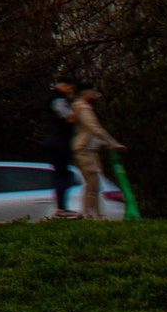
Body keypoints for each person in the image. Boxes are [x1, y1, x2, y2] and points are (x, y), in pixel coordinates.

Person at [70, 84, 124, 219]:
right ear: (87, 93)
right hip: (85, 150)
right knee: (92, 183)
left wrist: (106, 144)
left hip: (90, 150)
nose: (95, 96)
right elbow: (94, 128)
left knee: (95, 184)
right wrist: (113, 143)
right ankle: (88, 213)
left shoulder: (81, 107)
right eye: (93, 93)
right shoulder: (83, 108)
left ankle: (95, 213)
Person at [45, 79, 78, 217]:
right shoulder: (58, 100)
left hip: (54, 139)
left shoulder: (51, 99)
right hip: (59, 141)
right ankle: (61, 208)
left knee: (61, 174)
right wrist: (76, 106)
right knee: (62, 175)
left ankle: (62, 207)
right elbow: (69, 118)